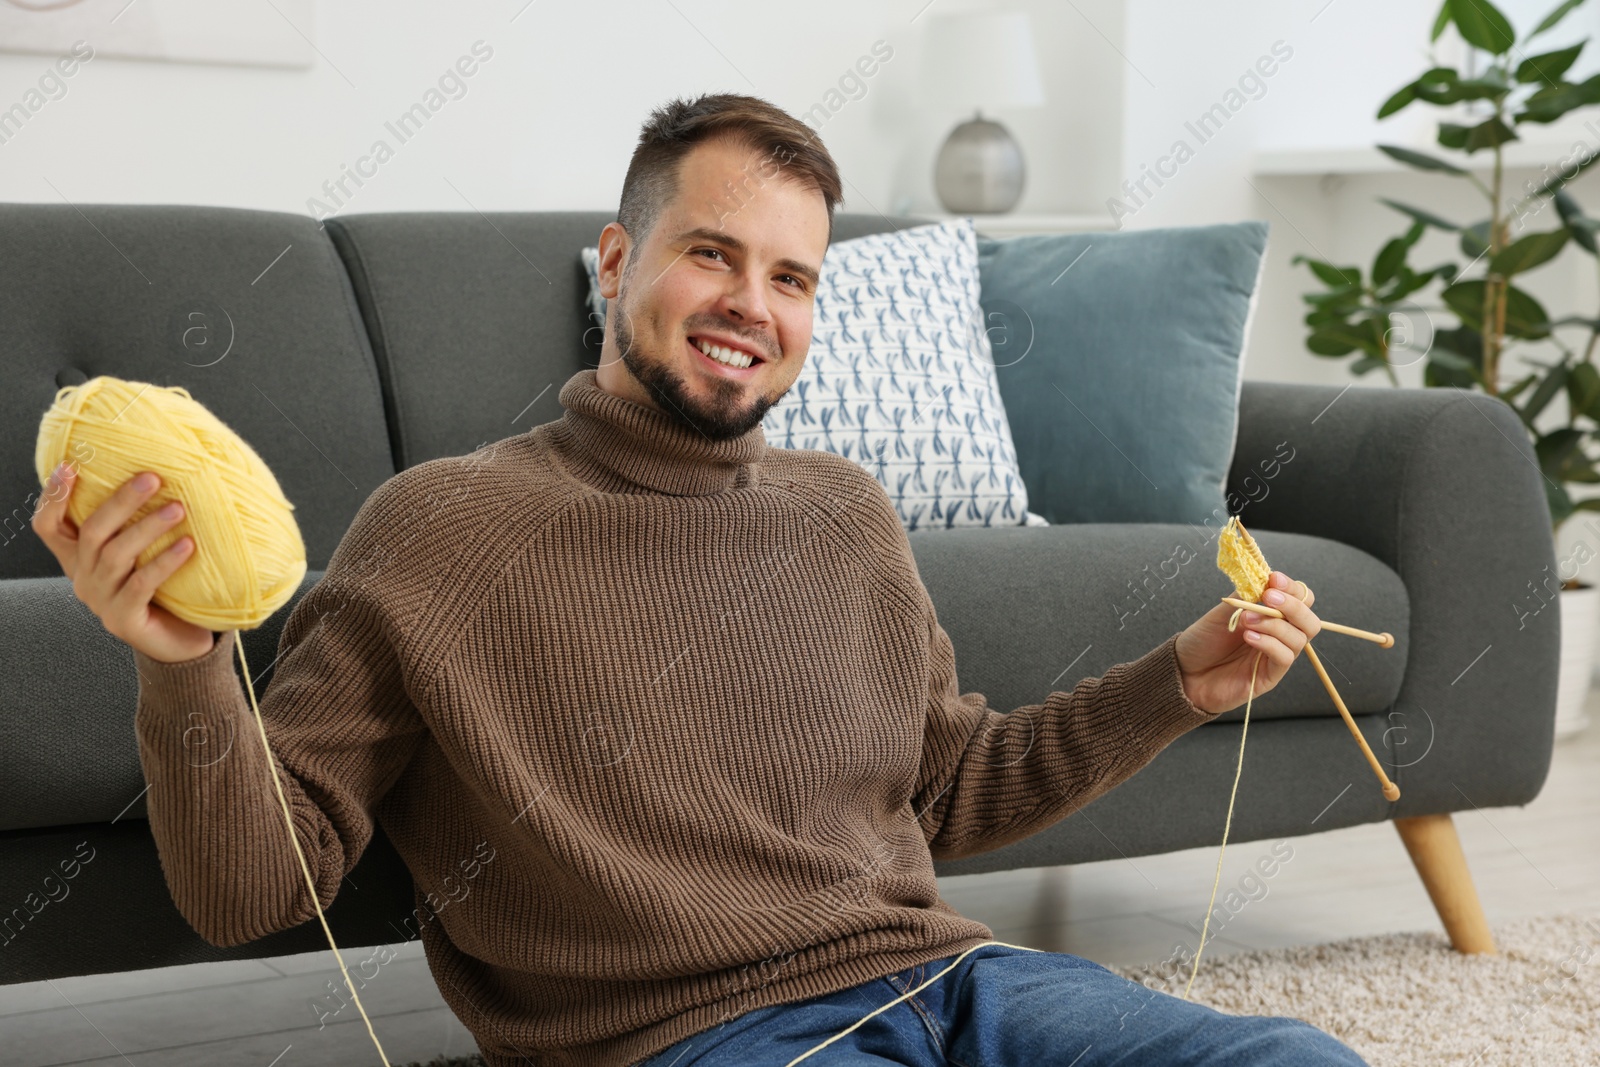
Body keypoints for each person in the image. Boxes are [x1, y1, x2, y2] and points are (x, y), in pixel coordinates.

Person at [31, 93, 1367, 1067]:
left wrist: (1180, 684)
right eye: (713, 253)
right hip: (685, 1037)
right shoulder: (439, 531)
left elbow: (950, 787)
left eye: (792, 277)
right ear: (619, 267)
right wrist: (182, 667)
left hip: (958, 985)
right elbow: (255, 892)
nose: (754, 304)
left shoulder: (845, 515)